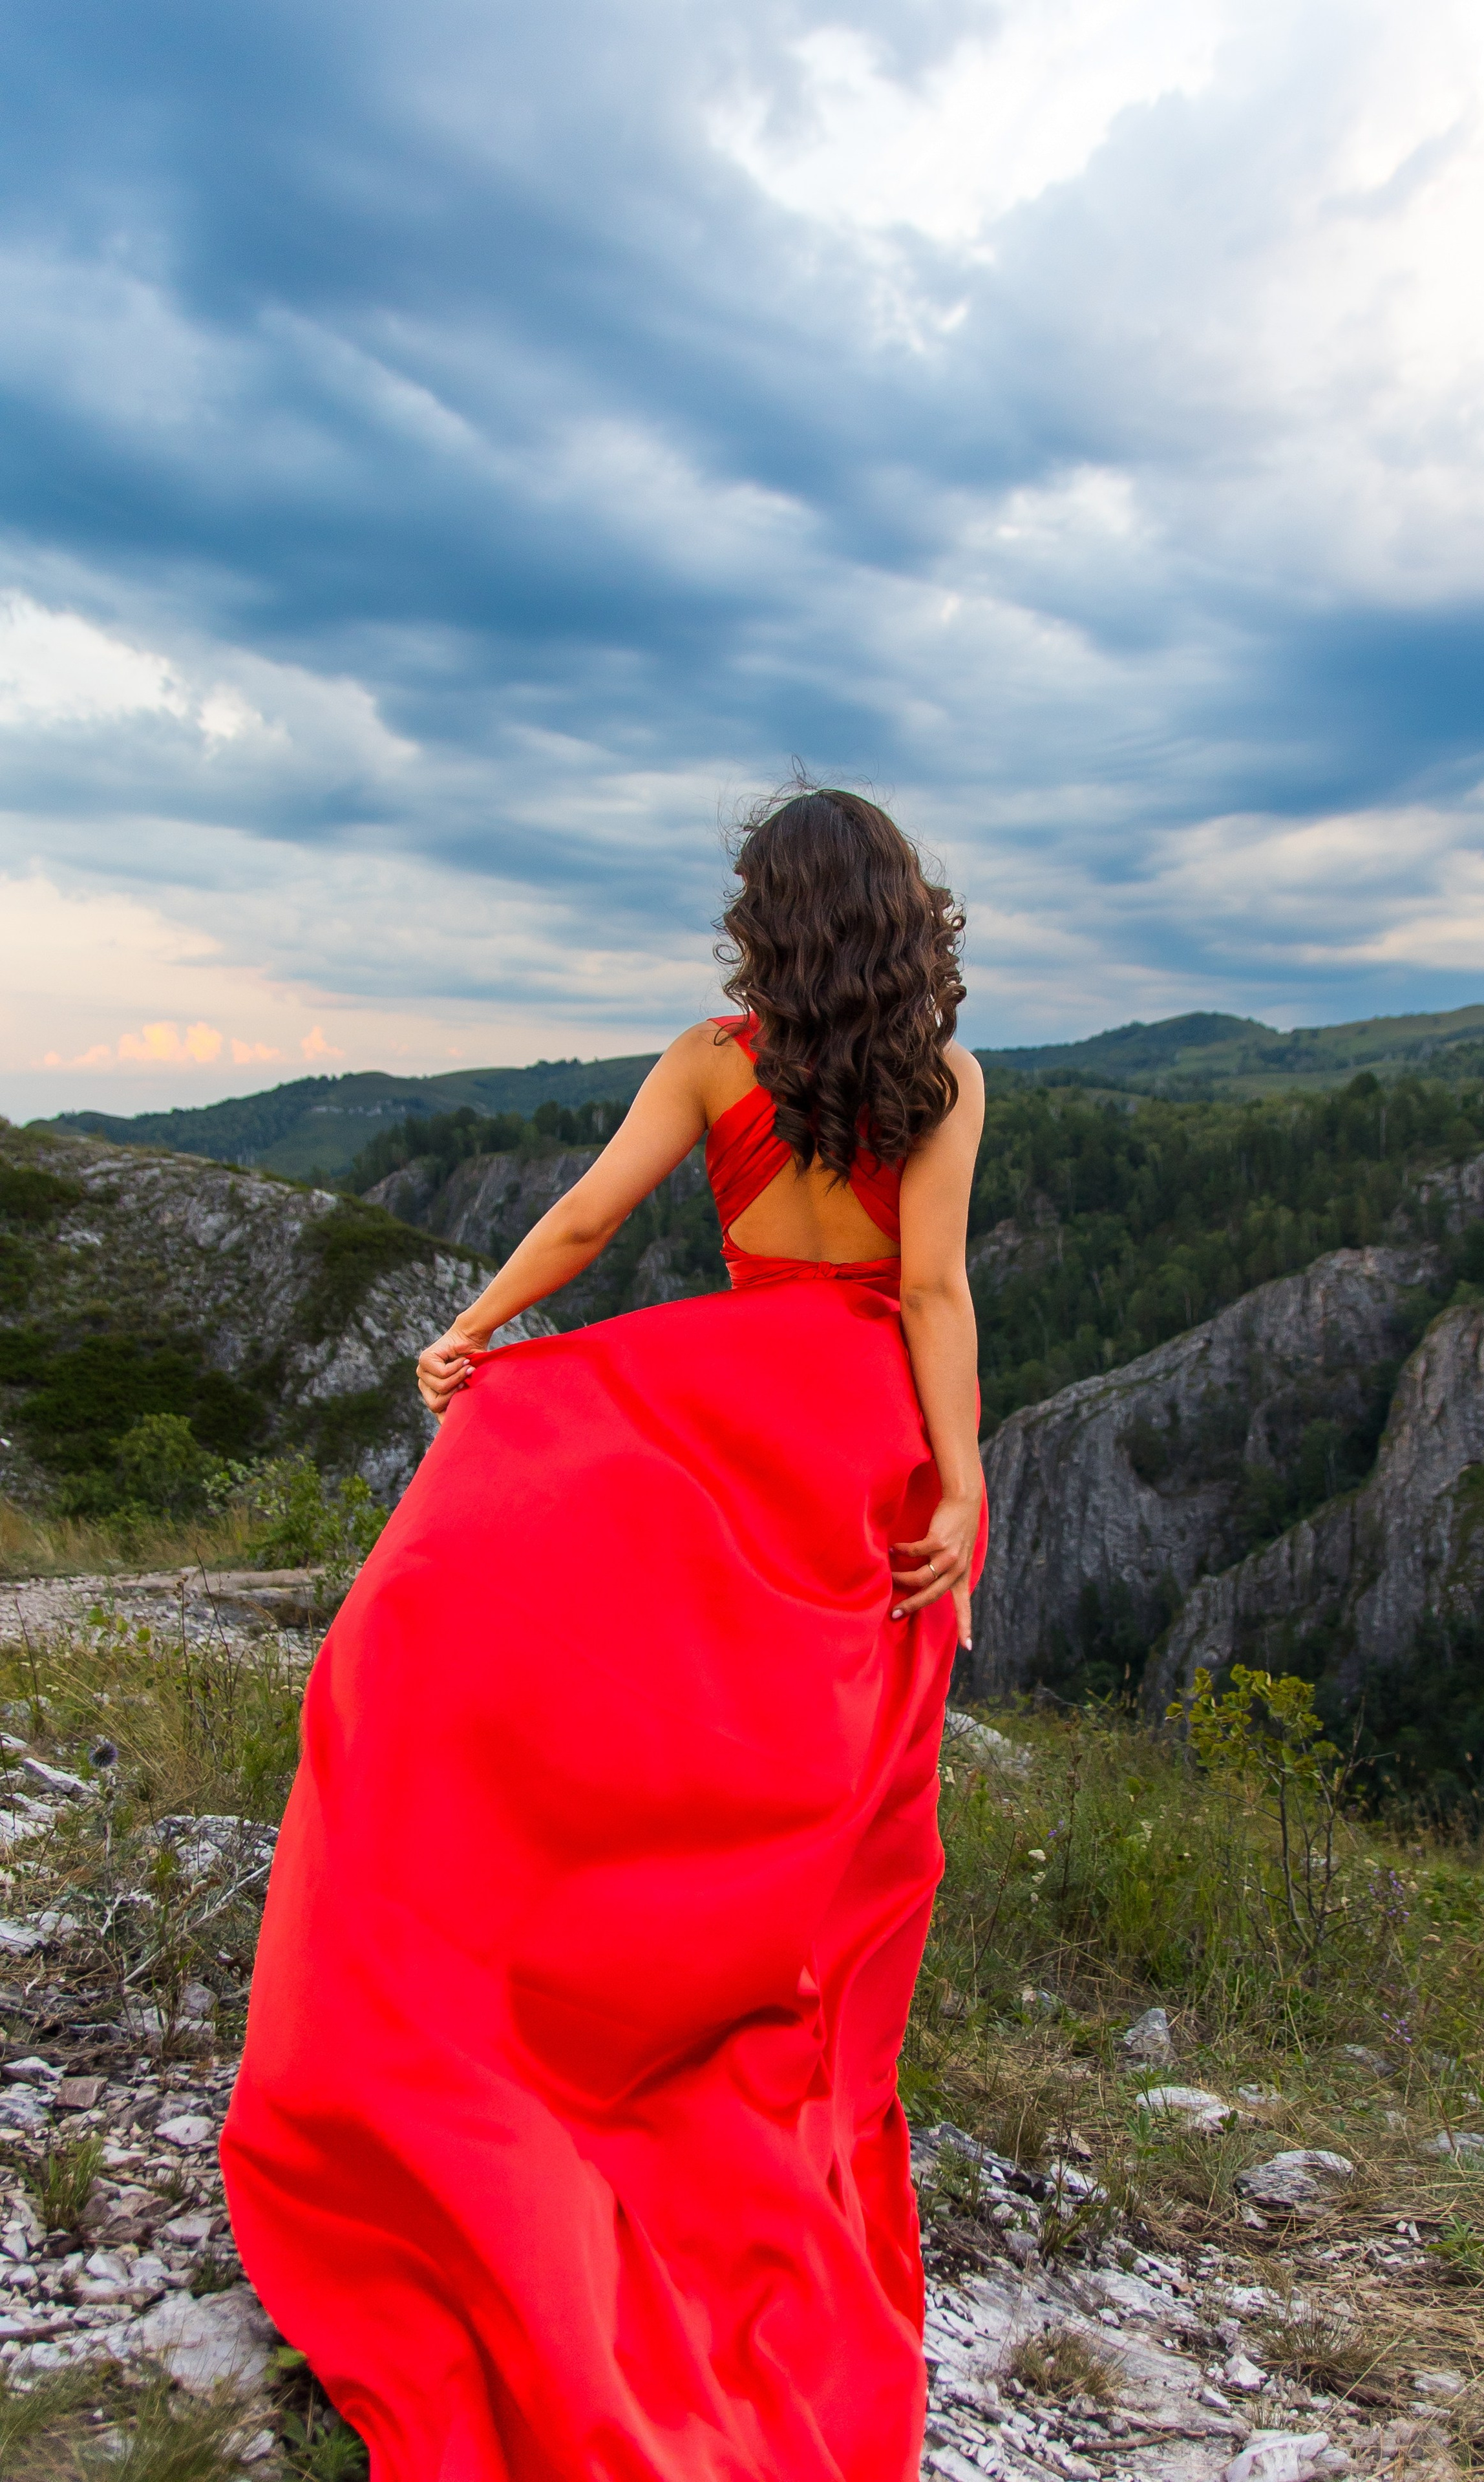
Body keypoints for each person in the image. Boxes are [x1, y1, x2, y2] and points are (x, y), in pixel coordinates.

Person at [220, 786, 988, 2482]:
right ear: (904, 914)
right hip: (856, 1430)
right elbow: (932, 1294)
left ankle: (566, 1995)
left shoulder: (718, 1061)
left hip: (727, 1402)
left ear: (763, 920)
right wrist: (964, 1479)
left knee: (642, 1712)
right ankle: (746, 2024)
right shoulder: (945, 1082)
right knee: (822, 1777)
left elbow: (587, 1224)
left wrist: (472, 1333)